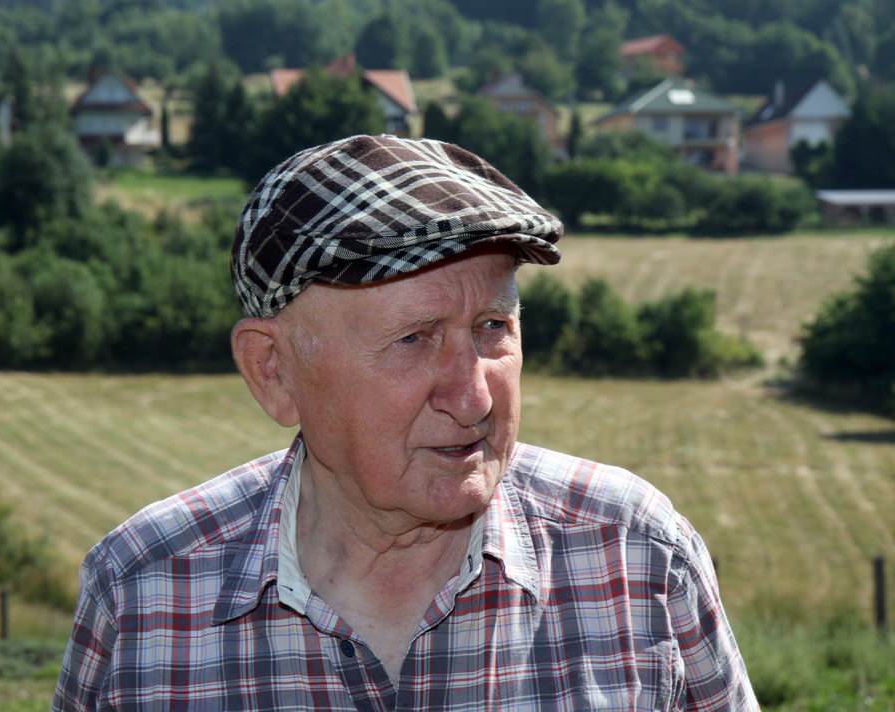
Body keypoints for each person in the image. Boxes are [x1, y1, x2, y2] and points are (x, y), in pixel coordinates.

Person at [52, 135, 758, 711]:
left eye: (493, 327)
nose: (474, 399)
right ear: (274, 370)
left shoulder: (637, 558)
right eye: (414, 338)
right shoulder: (144, 593)